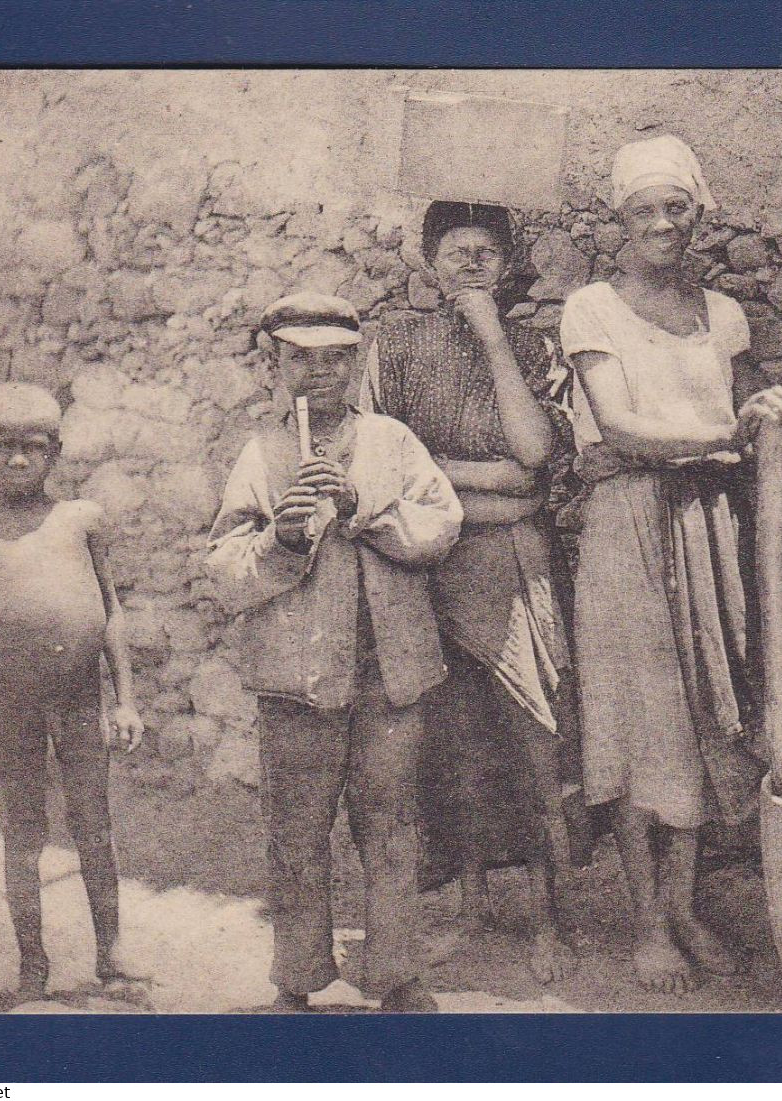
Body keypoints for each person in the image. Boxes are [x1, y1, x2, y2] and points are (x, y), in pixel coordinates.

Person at [559, 134, 782, 993]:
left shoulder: (723, 315)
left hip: (705, 525)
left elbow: (728, 416)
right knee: (636, 721)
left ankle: (685, 903)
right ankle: (647, 922)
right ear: (619, 220)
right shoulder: (590, 308)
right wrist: (727, 438)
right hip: (625, 529)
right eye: (643, 210)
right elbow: (619, 428)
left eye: (676, 207)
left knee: (704, 712)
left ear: (697, 213)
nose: (661, 224)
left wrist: (761, 417)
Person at [206, 292, 463, 1012]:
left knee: (389, 823)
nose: (318, 373)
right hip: (297, 681)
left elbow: (441, 524)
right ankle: (297, 974)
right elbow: (225, 571)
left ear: (356, 361)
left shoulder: (391, 441)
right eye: (300, 358)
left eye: (335, 359)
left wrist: (359, 509)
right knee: (296, 829)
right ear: (276, 364)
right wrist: (280, 539)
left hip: (390, 673)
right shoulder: (261, 452)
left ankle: (395, 971)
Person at [367, 200, 576, 983]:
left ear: (507, 261)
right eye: (457, 250)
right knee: (450, 746)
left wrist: (490, 333)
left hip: (513, 564)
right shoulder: (394, 345)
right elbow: (383, 467)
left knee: (536, 739)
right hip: (426, 565)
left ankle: (549, 919)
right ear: (427, 259)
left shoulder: (528, 344)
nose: (472, 264)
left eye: (488, 251)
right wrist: (497, 487)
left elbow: (533, 454)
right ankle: (468, 907)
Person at [0, 382, 146, 1001]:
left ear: (55, 452)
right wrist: (0, 664)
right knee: (23, 833)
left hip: (81, 700)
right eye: (2, 447)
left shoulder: (82, 520)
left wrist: (125, 698)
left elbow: (110, 610)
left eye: (32, 447)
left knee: (94, 826)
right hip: (15, 704)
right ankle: (33, 966)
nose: (17, 460)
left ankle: (111, 954)